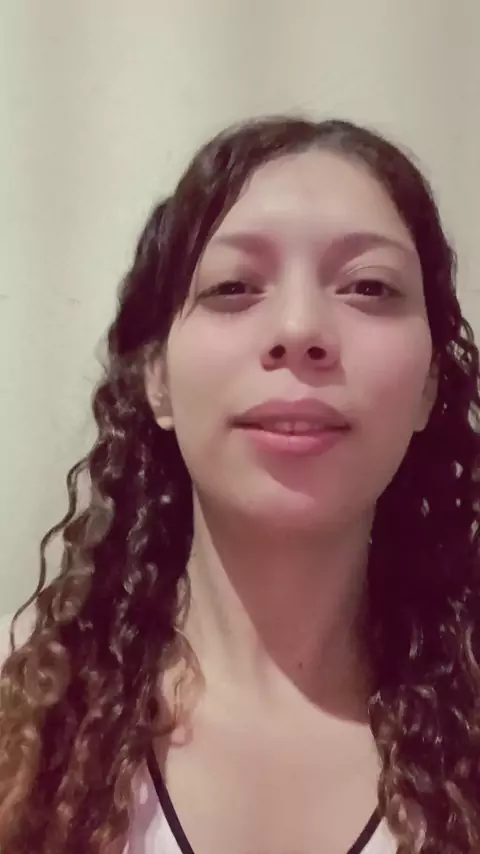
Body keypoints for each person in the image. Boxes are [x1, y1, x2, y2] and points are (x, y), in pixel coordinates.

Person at [0, 115, 479, 854]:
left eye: (368, 286)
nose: (300, 327)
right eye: (232, 287)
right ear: (157, 380)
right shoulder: (24, 717)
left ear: (429, 388)